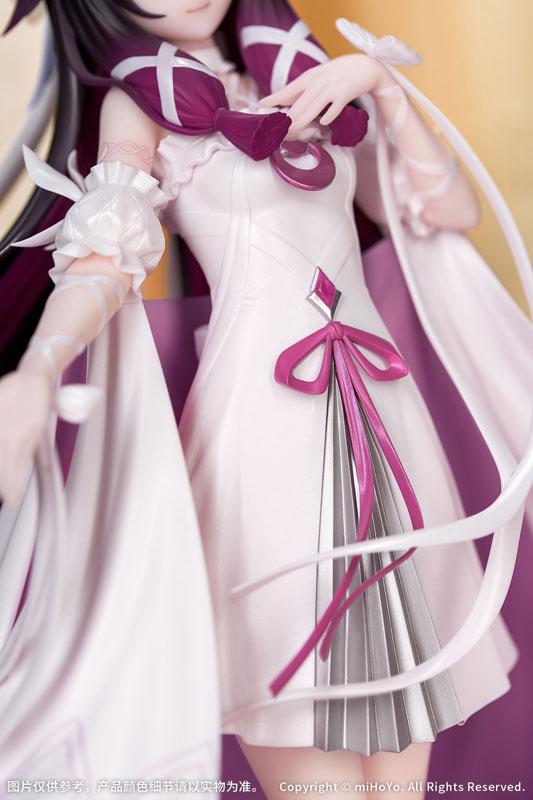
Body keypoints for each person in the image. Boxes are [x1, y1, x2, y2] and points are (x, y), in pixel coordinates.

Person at [0, 2, 531, 798]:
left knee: (405, 747)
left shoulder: (300, 75)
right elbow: (106, 255)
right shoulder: (141, 103)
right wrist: (40, 366)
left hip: (385, 412)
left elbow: (446, 213)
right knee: (296, 707)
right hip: (261, 427)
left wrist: (382, 86)